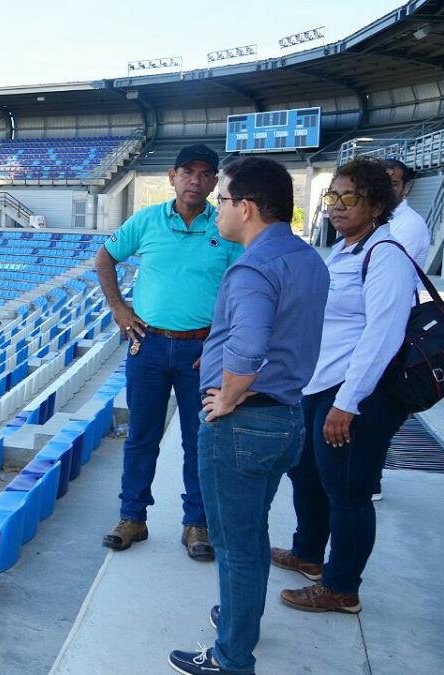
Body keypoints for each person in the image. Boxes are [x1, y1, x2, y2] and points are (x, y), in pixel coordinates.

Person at [168, 157, 329, 675]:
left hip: (245, 424)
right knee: (252, 534)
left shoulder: (253, 265)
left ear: (248, 207)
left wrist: (229, 394)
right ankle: (239, 619)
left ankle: (231, 658)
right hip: (286, 416)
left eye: (223, 201)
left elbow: (252, 345)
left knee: (236, 546)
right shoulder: (306, 258)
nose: (217, 210)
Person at [272, 158, 415, 614]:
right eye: (331, 197)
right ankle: (309, 555)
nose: (336, 206)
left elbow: (383, 335)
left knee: (348, 491)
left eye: (348, 197)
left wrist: (348, 403)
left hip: (354, 393)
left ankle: (342, 587)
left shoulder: (386, 254)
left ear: (376, 204)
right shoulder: (348, 250)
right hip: (320, 384)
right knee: (306, 473)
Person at [95, 144, 242, 561]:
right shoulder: (146, 221)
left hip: (202, 350)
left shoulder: (227, 228)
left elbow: (244, 287)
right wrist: (120, 309)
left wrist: (223, 340)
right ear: (173, 177)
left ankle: (196, 524)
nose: (196, 180)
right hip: (150, 345)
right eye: (187, 172)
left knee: (201, 440)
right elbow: (103, 258)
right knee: (141, 436)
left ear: (215, 182)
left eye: (205, 173)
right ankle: (132, 517)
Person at [371, 158, 428, 501]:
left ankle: (371, 478)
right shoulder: (381, 220)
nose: (386, 188)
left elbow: (383, 280)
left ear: (405, 188)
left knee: (378, 404)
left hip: (394, 327)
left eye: (393, 182)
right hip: (379, 325)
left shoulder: (407, 225)